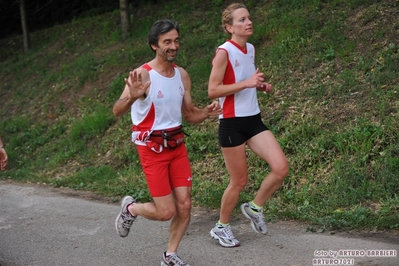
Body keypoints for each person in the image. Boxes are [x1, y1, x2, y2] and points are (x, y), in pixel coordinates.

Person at [113, 19, 222, 266]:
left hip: (177, 146)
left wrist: (207, 111)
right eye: (167, 42)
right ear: (154, 45)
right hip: (151, 149)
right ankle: (131, 209)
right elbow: (117, 111)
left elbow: (191, 114)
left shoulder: (182, 75)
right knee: (166, 212)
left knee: (184, 205)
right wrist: (131, 96)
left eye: (175, 40)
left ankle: (170, 255)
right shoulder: (142, 74)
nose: (173, 46)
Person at [208, 3, 289, 248]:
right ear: (229, 27)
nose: (248, 22)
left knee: (280, 167)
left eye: (249, 18)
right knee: (239, 181)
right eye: (241, 20)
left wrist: (259, 85)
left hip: (253, 119)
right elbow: (213, 90)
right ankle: (221, 227)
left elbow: (244, 78)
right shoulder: (223, 52)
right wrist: (246, 83)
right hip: (231, 124)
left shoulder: (250, 48)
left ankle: (255, 208)